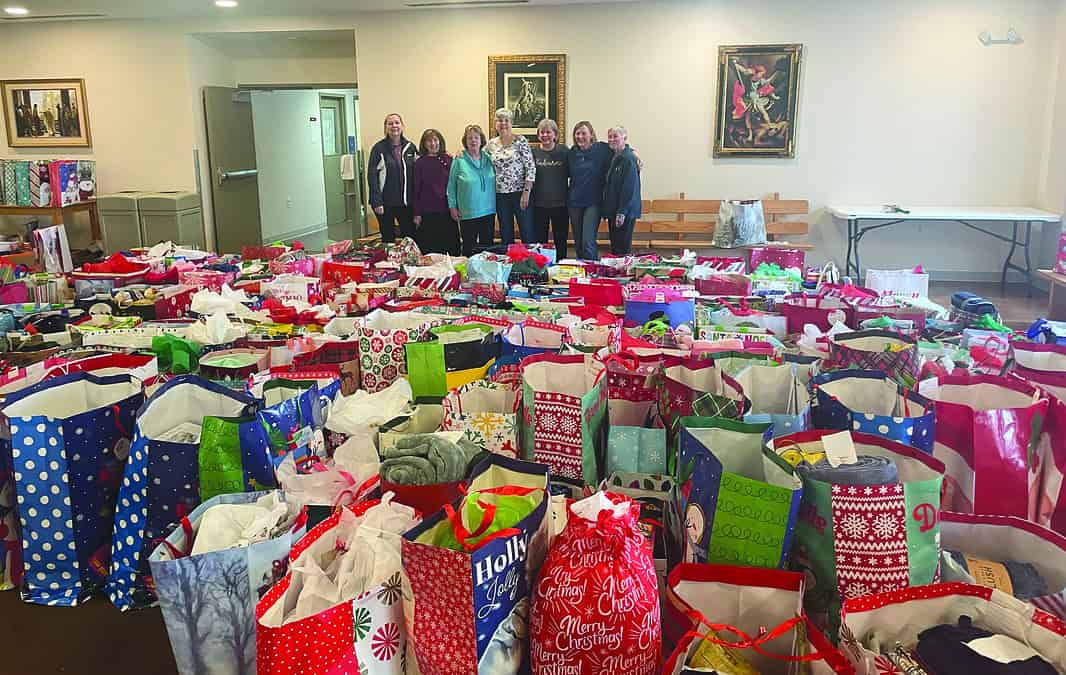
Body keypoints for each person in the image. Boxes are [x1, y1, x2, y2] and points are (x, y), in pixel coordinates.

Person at [485, 108, 536, 245]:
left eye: (506, 120)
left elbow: (530, 167)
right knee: (505, 233)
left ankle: (530, 263)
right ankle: (509, 264)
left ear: (511, 123)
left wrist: (526, 193)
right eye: (500, 120)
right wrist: (462, 152)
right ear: (495, 124)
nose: (503, 124)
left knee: (527, 232)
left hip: (520, 193)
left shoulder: (521, 141)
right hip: (500, 195)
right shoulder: (491, 144)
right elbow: (476, 155)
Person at [366, 113, 418, 243]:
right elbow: (372, 176)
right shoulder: (378, 148)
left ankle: (407, 263)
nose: (394, 126)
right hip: (385, 203)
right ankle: (388, 263)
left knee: (410, 238)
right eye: (390, 123)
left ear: (402, 126)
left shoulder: (410, 147)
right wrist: (377, 201)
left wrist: (444, 154)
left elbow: (422, 165)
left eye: (397, 122)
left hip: (406, 203)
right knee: (388, 238)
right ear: (386, 128)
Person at [447, 125, 497, 257]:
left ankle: (487, 274)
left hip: (488, 210)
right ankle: (468, 275)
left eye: (476, 137)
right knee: (469, 247)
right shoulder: (459, 160)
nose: (473, 141)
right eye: (470, 138)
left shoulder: (489, 158)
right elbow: (451, 186)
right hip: (468, 211)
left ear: (482, 140)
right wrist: (452, 206)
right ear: (465, 141)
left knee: (488, 247)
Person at [566, 121, 613, 260]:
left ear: (591, 135)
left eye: (583, 133)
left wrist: (633, 153)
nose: (580, 136)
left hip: (593, 203)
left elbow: (620, 148)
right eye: (577, 133)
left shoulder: (602, 149)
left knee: (588, 241)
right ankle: (582, 271)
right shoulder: (572, 153)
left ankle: (592, 271)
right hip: (574, 203)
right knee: (579, 242)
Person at [412, 129, 459, 256]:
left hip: (447, 210)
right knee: (430, 249)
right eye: (429, 141)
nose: (433, 144)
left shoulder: (448, 159)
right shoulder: (419, 163)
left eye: (435, 140)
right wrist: (417, 213)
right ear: (424, 144)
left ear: (440, 141)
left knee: (450, 248)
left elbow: (456, 184)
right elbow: (416, 189)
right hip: (428, 213)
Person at [531, 119, 570, 258]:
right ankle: (543, 266)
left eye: (549, 132)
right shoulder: (533, 152)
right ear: (538, 135)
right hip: (539, 205)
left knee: (561, 240)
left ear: (555, 134)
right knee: (540, 241)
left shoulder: (564, 151)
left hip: (560, 204)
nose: (545, 135)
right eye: (542, 132)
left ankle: (561, 265)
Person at [601, 126, 641, 256]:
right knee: (616, 248)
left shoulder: (628, 159)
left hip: (624, 211)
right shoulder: (615, 156)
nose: (612, 139)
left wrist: (622, 212)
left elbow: (629, 188)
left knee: (623, 249)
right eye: (610, 137)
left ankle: (624, 275)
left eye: (615, 136)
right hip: (614, 210)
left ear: (624, 137)